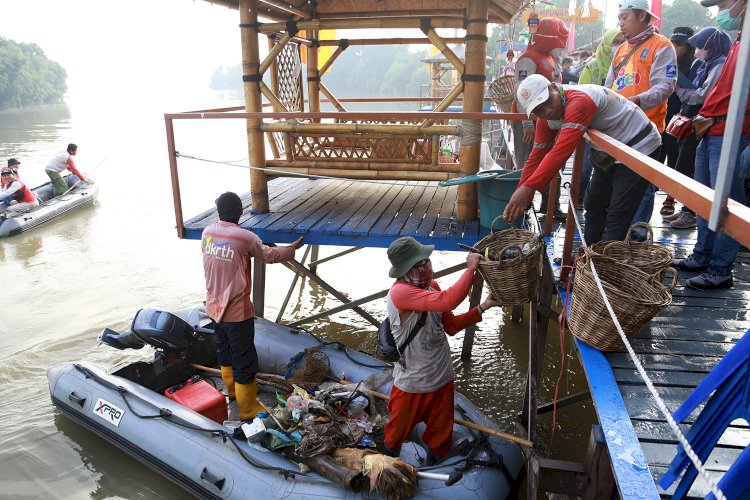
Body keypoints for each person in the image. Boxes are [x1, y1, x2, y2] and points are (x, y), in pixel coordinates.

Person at [502, 74, 661, 244]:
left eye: (547, 102)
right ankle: (589, 253)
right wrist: (521, 195)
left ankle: (602, 264)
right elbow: (536, 157)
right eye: (539, 110)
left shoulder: (579, 102)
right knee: (593, 204)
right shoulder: (546, 120)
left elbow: (559, 153)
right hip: (608, 151)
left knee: (618, 213)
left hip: (639, 145)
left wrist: (527, 189)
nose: (547, 111)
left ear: (554, 88)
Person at [383, 237, 498, 460]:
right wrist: (470, 269)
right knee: (394, 437)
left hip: (442, 380)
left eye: (427, 259)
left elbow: (451, 326)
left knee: (440, 439)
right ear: (407, 268)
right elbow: (449, 301)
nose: (428, 265)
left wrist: (483, 306)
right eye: (422, 261)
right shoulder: (400, 293)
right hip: (413, 385)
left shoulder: (431, 287)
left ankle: (434, 467)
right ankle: (387, 468)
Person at [202, 192, 303, 420]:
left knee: (224, 352)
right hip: (237, 314)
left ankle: (232, 394)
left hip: (213, 309)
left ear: (219, 212)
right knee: (244, 360)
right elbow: (269, 255)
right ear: (239, 212)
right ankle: (247, 409)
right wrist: (291, 249)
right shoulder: (245, 237)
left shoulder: (207, 233)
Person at [672, 0, 750, 290]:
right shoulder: (740, 40)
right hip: (712, 127)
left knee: (726, 201)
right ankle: (703, 255)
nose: (720, 13)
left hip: (730, 129)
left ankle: (720, 267)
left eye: (723, 5)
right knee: (703, 198)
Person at [605, 0, 676, 228]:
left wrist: (635, 102)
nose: (621, 23)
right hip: (618, 128)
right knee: (619, 183)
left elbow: (665, 86)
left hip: (647, 130)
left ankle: (637, 239)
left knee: (642, 186)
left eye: (626, 17)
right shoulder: (620, 50)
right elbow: (609, 87)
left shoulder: (662, 45)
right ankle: (619, 237)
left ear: (643, 17)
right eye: (620, 18)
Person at [664, 27, 732, 229]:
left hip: (706, 123)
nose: (696, 51)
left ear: (710, 47)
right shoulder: (706, 65)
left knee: (690, 166)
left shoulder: (718, 66)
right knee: (685, 164)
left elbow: (703, 95)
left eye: (700, 47)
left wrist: (680, 90)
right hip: (697, 121)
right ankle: (688, 210)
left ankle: (691, 212)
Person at [512, 17, 569, 219]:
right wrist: (527, 122)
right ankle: (522, 205)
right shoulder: (529, 58)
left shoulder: (550, 58)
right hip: (530, 120)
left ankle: (550, 204)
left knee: (552, 161)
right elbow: (520, 91)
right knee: (529, 160)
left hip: (549, 119)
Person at [577, 28, 627, 203]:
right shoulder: (592, 67)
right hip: (590, 126)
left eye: (622, 41)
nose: (619, 46)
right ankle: (578, 200)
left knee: (610, 170)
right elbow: (581, 93)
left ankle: (604, 203)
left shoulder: (627, 65)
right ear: (606, 44)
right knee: (584, 168)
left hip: (617, 128)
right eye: (615, 42)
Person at [658, 27, 697, 217]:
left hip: (680, 121)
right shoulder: (664, 60)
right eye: (672, 43)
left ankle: (670, 198)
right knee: (655, 158)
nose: (674, 48)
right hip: (659, 116)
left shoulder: (696, 65)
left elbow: (694, 93)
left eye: (679, 45)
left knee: (675, 161)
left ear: (689, 48)